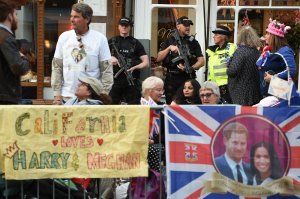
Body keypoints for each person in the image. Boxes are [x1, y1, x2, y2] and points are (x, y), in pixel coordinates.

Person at [51, 3, 113, 104]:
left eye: (76, 17)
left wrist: (103, 94)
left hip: (91, 100)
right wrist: (57, 95)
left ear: (87, 19)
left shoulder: (100, 39)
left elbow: (107, 70)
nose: (72, 19)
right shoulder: (64, 37)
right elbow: (57, 67)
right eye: (71, 16)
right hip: (66, 98)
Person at [156, 16, 204, 104]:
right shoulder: (169, 40)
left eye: (189, 25)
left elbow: (201, 61)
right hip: (172, 78)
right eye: (185, 25)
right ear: (178, 26)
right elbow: (159, 58)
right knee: (171, 104)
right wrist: (169, 48)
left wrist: (190, 68)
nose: (188, 27)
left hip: (187, 78)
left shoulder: (193, 42)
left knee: (189, 104)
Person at [108, 17, 149, 104]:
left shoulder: (135, 43)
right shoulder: (112, 41)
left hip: (131, 81)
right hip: (115, 81)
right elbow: (101, 58)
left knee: (133, 106)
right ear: (118, 26)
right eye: (122, 25)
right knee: (111, 106)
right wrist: (110, 58)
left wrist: (135, 67)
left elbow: (146, 63)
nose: (124, 27)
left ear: (130, 27)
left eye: (126, 25)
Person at [256, 18, 296, 97]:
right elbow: (258, 65)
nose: (265, 36)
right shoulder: (270, 50)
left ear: (273, 36)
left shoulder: (285, 51)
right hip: (268, 93)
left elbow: (291, 70)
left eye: (267, 34)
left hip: (278, 95)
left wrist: (273, 78)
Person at [0, 0, 30, 105]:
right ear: (9, 16)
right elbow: (19, 67)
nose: (17, 19)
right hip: (6, 97)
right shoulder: (5, 37)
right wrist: (24, 57)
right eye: (16, 14)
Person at [227, 26, 262, 106]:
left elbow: (232, 71)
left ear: (240, 37)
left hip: (241, 92)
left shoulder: (240, 51)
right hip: (254, 92)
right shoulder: (256, 52)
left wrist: (228, 68)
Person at [206, 26, 237, 103]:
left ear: (223, 36)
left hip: (226, 87)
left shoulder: (231, 47)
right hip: (213, 87)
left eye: (216, 35)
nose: (214, 37)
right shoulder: (213, 51)